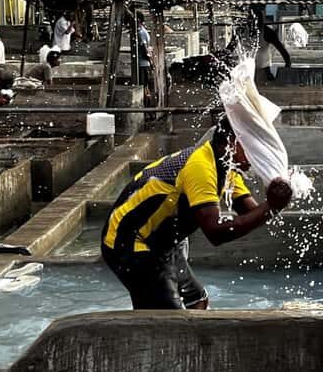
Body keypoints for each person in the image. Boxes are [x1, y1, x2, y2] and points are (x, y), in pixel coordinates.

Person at [101, 117, 293, 309]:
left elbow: (250, 211)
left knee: (197, 301)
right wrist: (271, 206)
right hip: (128, 243)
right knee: (166, 319)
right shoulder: (201, 166)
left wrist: (276, 200)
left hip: (162, 242)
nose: (258, 155)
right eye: (254, 147)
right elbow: (215, 232)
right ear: (232, 143)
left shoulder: (227, 168)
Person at [137, 13, 151, 89]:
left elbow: (144, 49)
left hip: (142, 63)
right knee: (145, 86)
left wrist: (150, 60)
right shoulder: (144, 31)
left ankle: (145, 100)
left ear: (138, 20)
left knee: (143, 86)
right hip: (145, 63)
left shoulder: (141, 33)